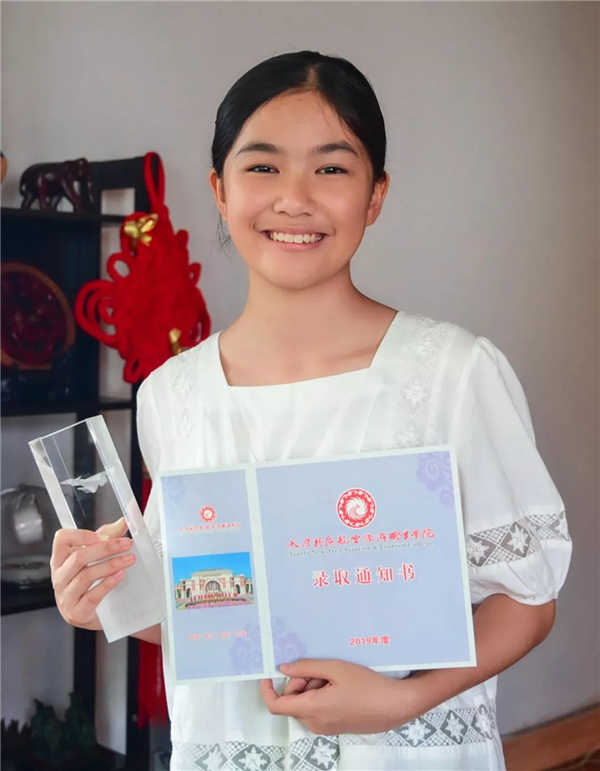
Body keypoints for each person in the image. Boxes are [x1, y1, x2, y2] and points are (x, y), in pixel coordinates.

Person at [50, 50, 572, 770]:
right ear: (220, 190)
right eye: (263, 166)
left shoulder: (454, 372)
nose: (294, 199)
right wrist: (107, 598)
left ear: (375, 195)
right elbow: (214, 621)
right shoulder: (174, 393)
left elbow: (528, 600)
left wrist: (401, 700)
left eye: (331, 168)